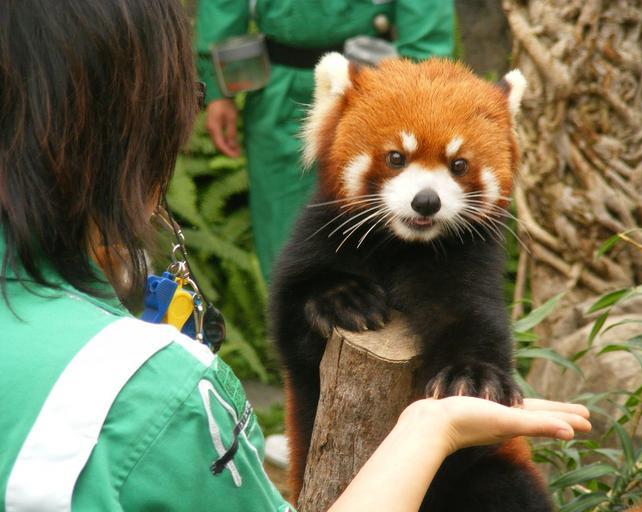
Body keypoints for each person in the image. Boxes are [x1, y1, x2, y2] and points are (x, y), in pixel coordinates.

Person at [0, 1, 591, 510]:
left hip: (380, 58)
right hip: (280, 81)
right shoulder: (157, 397)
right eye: (188, 94)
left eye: (459, 169)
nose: (429, 191)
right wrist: (225, 73)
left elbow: (472, 321)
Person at [196, 0, 457, 282]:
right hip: (278, 93)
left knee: (386, 236)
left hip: (377, 96)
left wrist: (422, 98)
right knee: (284, 241)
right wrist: (218, 87)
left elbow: (426, 24)